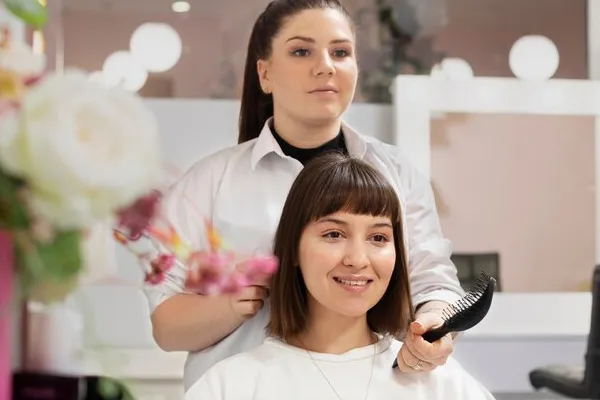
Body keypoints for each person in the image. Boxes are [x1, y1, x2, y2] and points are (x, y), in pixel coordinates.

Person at [145, 0, 465, 392]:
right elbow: (166, 326)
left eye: (340, 52)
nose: (325, 66)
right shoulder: (208, 183)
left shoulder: (396, 173)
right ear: (265, 73)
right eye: (301, 51)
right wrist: (232, 306)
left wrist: (434, 325)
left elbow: (433, 281)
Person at [184, 153, 494, 399]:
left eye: (378, 238)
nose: (357, 259)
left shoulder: (443, 387)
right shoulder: (229, 387)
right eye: (334, 234)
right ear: (293, 249)